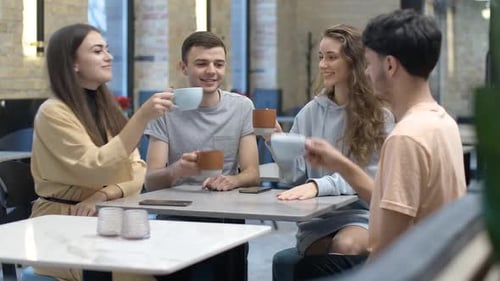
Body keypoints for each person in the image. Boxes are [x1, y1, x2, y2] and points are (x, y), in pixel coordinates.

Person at [295, 9, 467, 280]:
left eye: (368, 63)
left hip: (417, 268)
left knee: (310, 269)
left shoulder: (405, 137)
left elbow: (388, 248)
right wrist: (339, 163)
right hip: (442, 261)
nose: (366, 72)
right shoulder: (443, 122)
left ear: (389, 65)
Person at [30, 23, 173, 281]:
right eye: (98, 51)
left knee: (175, 262)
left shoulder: (106, 108)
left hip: (107, 218)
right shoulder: (53, 112)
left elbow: (138, 170)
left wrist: (103, 195)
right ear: (72, 63)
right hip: (63, 225)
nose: (109, 57)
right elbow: (95, 167)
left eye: (107, 50)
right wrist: (141, 118)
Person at [269, 24, 394, 281]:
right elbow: (294, 176)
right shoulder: (310, 112)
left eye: (331, 57)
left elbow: (369, 178)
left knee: (344, 246)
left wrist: (318, 185)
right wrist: (275, 142)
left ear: (354, 62)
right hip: (317, 219)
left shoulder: (380, 116)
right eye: (321, 57)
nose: (323, 64)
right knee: (319, 255)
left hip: (362, 213)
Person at [144, 31, 259, 191]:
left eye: (218, 64)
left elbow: (252, 173)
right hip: (177, 210)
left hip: (226, 208)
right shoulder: (164, 109)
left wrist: (233, 180)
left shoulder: (242, 107)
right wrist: (176, 171)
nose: (211, 71)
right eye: (202, 64)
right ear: (183, 68)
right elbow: (150, 182)